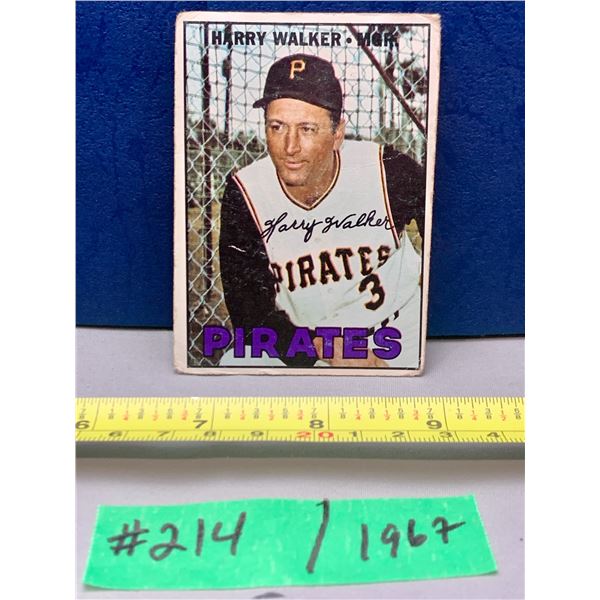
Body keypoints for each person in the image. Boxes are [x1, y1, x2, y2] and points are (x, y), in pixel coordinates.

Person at [216, 54, 425, 369]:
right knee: (234, 365)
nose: (290, 147)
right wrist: (324, 348)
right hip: (307, 345)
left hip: (400, 333)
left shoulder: (387, 170)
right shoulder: (245, 192)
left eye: (307, 129)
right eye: (277, 126)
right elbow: (249, 315)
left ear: (337, 132)